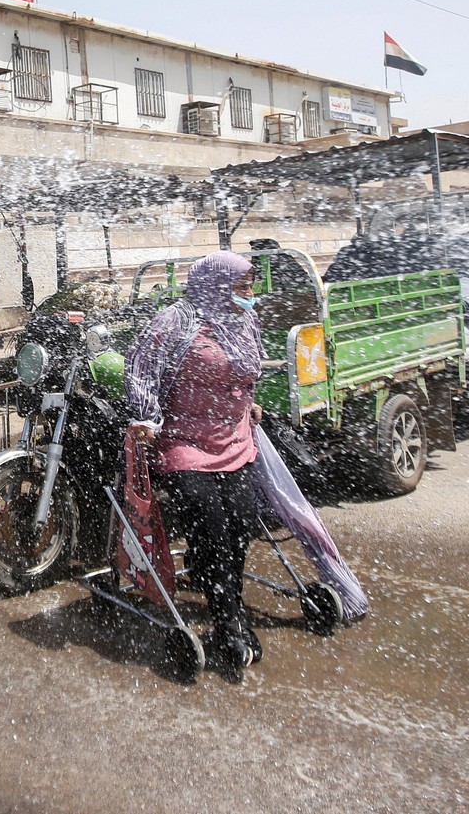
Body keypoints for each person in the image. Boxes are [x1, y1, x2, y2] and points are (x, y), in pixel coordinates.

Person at [124, 249, 265, 679]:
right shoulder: (176, 321)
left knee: (242, 521)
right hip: (185, 442)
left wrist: (251, 404)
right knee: (212, 523)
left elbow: (245, 372)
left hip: (234, 439)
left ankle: (222, 591)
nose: (249, 292)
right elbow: (141, 368)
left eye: (250, 284)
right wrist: (147, 418)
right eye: (242, 284)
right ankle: (229, 622)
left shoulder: (242, 321)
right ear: (217, 284)